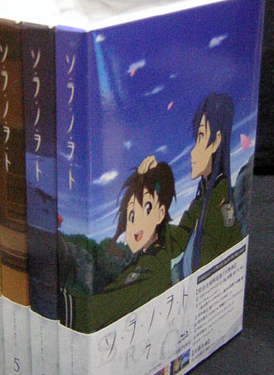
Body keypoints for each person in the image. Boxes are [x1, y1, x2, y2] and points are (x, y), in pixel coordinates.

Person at [60, 162, 187, 333]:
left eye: (147, 208)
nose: (136, 223)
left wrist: (59, 302)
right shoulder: (152, 254)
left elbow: (105, 309)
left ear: (161, 213)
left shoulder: (153, 266)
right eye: (131, 215)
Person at [140, 93, 242, 276]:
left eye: (201, 136)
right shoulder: (203, 198)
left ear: (216, 140)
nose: (192, 152)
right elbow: (177, 241)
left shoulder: (220, 200)